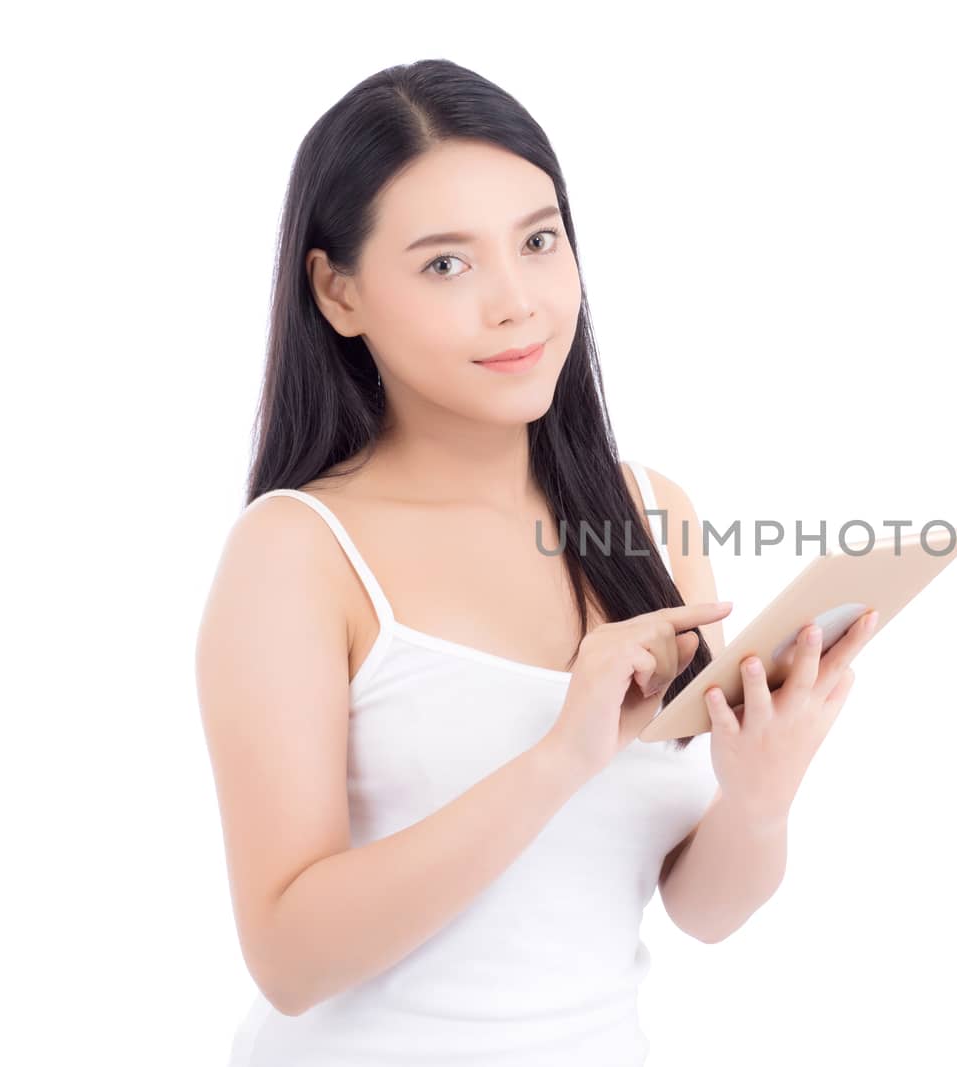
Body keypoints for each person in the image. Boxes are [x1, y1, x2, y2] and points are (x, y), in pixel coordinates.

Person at [195, 58, 877, 1065]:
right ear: (337, 290)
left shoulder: (650, 512)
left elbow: (702, 909)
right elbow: (289, 959)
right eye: (445, 264)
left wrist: (758, 790)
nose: (516, 302)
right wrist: (559, 757)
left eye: (538, 240)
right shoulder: (297, 550)